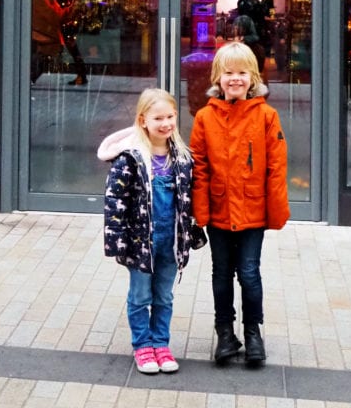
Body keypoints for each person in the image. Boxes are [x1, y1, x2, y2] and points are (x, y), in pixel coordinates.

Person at [190, 41, 289, 367]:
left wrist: (274, 212)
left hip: (252, 210)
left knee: (249, 273)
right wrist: (200, 212)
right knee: (221, 274)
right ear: (218, 78)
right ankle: (225, 333)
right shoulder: (204, 118)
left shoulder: (266, 116)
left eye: (242, 73)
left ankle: (252, 332)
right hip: (219, 211)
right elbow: (199, 167)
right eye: (228, 73)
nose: (235, 79)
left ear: (253, 77)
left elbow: (276, 167)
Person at [98, 88, 204, 375]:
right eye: (159, 118)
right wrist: (116, 242)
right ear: (143, 120)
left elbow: (189, 201)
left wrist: (193, 230)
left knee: (164, 297)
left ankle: (161, 343)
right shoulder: (130, 159)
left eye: (170, 116)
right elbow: (115, 203)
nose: (166, 123)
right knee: (140, 296)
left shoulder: (182, 158)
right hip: (139, 243)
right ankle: (142, 345)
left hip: (171, 242)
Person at [31, 0, 87, 85]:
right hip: (44, 32)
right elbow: (56, 16)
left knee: (49, 54)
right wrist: (70, 10)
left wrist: (69, 10)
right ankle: (31, 77)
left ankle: (82, 75)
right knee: (46, 54)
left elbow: (57, 14)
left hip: (48, 32)